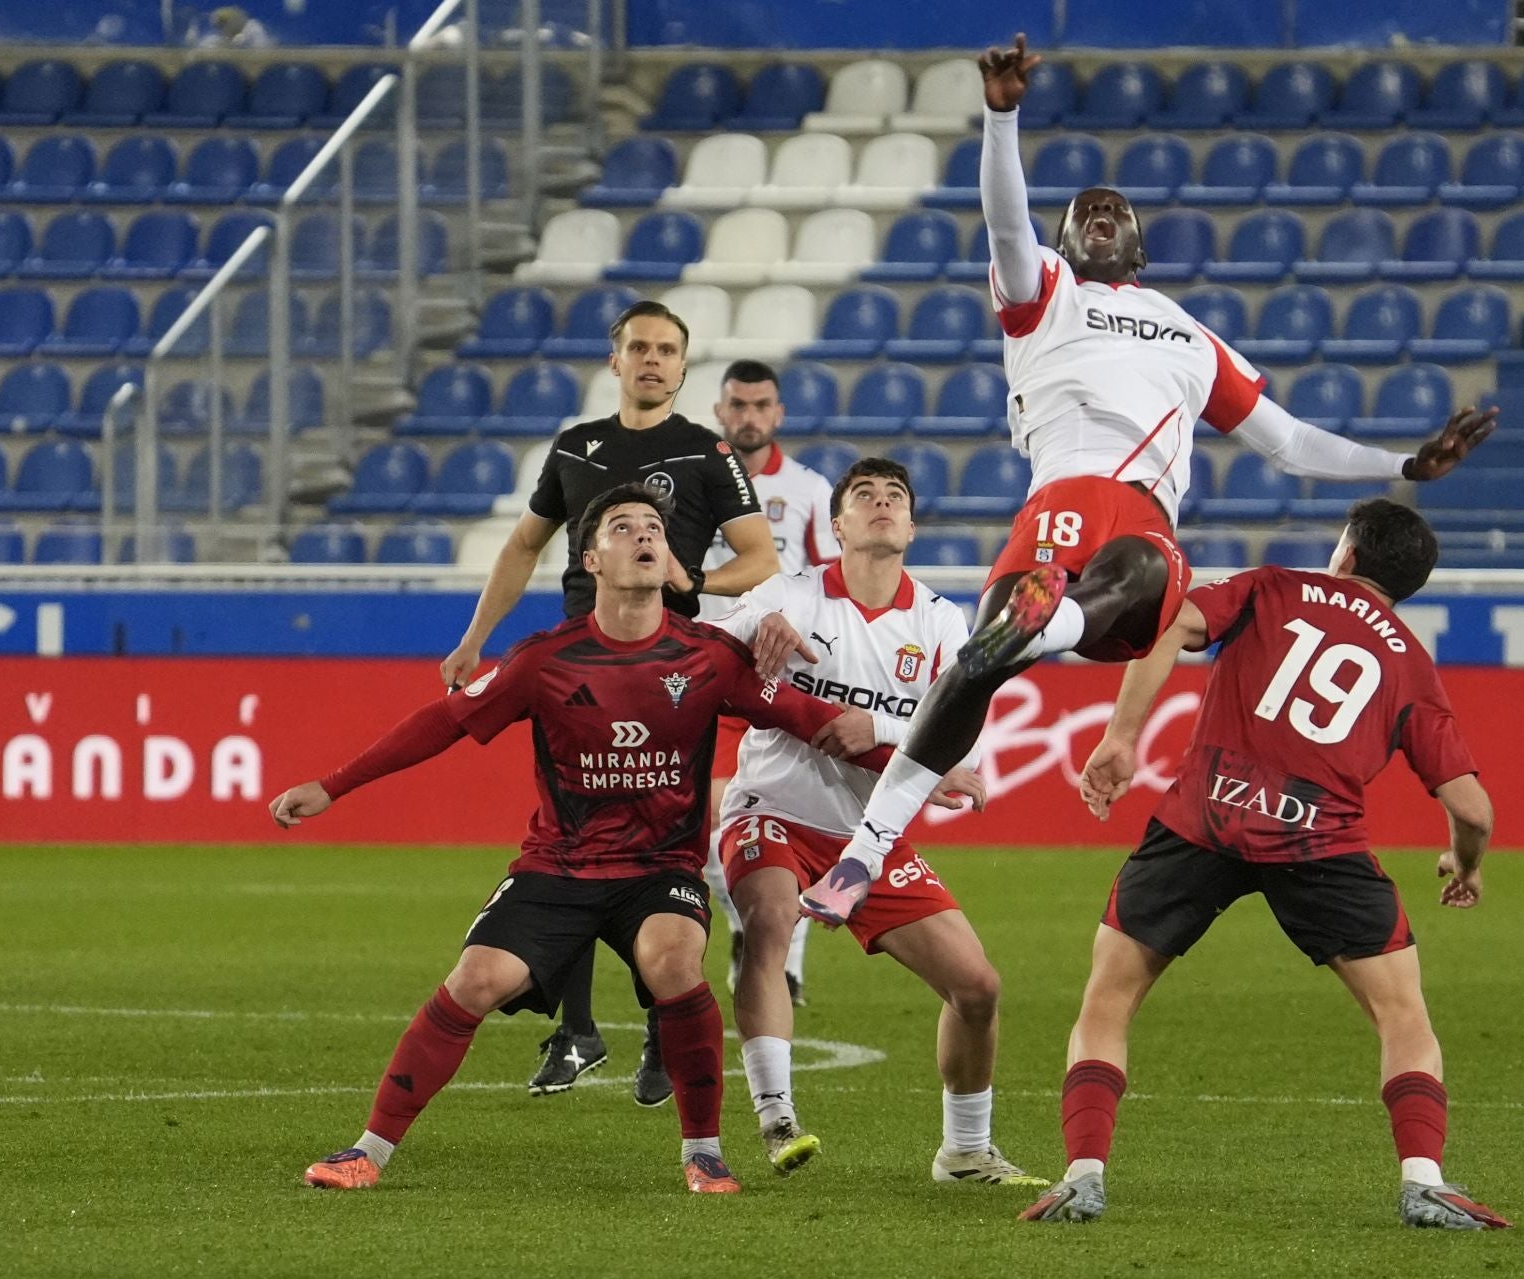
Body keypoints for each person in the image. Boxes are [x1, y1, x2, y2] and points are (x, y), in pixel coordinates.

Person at [799, 34, 1498, 927]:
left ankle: (1051, 622)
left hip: (1139, 529)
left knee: (1136, 563)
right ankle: (865, 853)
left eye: (1115, 209)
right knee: (976, 664)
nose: (1099, 213)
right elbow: (1004, 220)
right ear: (1061, 242)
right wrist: (1001, 116)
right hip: (1054, 508)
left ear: (1140, 245)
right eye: (1084, 208)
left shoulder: (1190, 335)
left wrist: (1403, 464)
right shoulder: (1041, 293)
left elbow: (1286, 442)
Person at [276, 484, 909, 1196]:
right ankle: (369, 1149)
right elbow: (446, 722)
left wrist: (923, 765)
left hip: (660, 868)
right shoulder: (546, 658)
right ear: (592, 559)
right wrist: (332, 784)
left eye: (653, 528)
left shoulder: (708, 657)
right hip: (559, 864)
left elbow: (815, 720)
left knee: (674, 960)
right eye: (622, 526)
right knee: (475, 979)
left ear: (669, 559)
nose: (642, 534)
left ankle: (704, 1153)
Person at [1018, 499, 1508, 1229]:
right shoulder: (1409, 661)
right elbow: (1472, 808)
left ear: (1345, 553)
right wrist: (1465, 864)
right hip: (1320, 842)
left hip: (1199, 822)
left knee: (1109, 997)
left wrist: (1123, 735)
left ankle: (1083, 1175)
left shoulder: (1272, 587)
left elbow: (1174, 625)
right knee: (1402, 1014)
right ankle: (1424, 1180)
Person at [437, 300, 781, 1106]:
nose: (653, 359)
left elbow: (759, 556)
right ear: (615, 359)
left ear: (683, 368)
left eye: (667, 349)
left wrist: (696, 586)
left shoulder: (704, 451)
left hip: (668, 668)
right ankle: (578, 1030)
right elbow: (524, 544)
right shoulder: (576, 446)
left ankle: (662, 1026)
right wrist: (474, 637)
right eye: (640, 347)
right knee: (573, 837)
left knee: (663, 838)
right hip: (576, 667)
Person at [709, 457, 1044, 1186]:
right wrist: (750, 627)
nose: (882, 504)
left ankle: (963, 1151)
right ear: (838, 525)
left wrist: (880, 726)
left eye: (896, 496)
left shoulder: (938, 618)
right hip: (772, 807)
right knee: (769, 921)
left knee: (978, 986)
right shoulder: (792, 595)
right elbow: (715, 662)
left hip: (869, 835)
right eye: (864, 495)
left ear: (914, 524)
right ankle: (777, 1115)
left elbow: (964, 736)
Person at [696, 359, 839, 1010]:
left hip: (775, 676)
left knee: (783, 816)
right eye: (738, 404)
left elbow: (834, 586)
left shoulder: (809, 491)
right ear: (720, 411)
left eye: (761, 405)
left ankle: (787, 962)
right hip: (698, 668)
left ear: (778, 413)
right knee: (704, 815)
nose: (749, 416)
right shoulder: (692, 486)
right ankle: (741, 927)